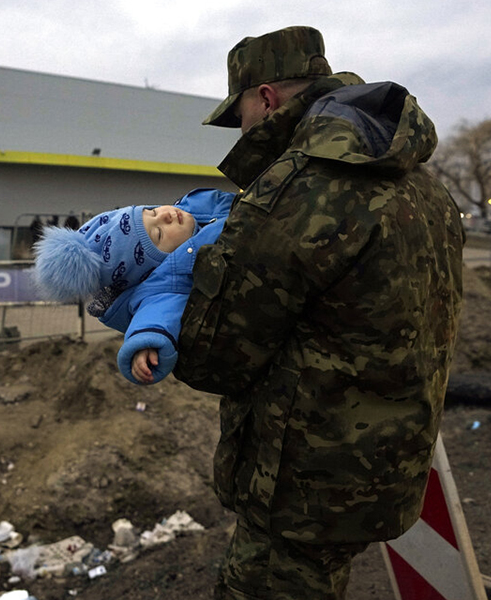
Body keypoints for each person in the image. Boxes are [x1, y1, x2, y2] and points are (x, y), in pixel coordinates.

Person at [172, 27, 465, 599]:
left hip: (301, 485)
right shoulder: (420, 180)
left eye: (241, 115)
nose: (244, 130)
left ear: (267, 98)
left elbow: (216, 359)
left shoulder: (303, 186)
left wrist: (153, 303)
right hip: (388, 464)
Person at [33, 188, 234, 383]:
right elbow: (156, 314)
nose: (165, 216)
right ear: (152, 268)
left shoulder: (194, 205)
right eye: (158, 234)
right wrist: (146, 342)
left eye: (152, 211)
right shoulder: (166, 281)